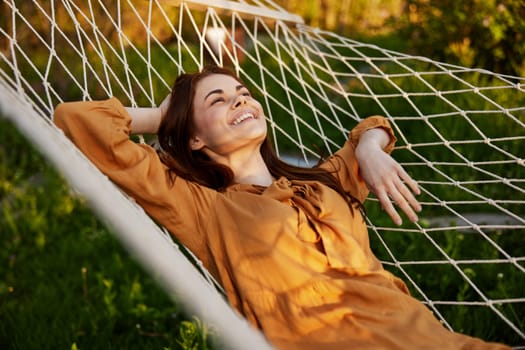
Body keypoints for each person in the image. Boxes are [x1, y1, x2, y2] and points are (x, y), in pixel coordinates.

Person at [54, 65, 510, 350]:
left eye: (242, 92)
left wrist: (371, 149)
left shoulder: (323, 180)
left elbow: (372, 127)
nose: (240, 99)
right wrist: (162, 116)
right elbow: (78, 121)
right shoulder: (202, 207)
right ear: (195, 138)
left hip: (428, 339)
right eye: (218, 100)